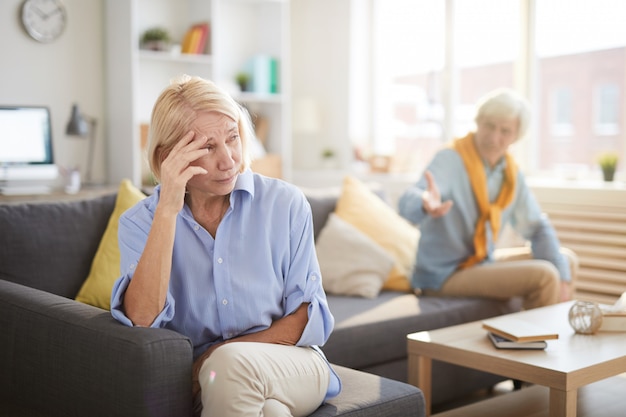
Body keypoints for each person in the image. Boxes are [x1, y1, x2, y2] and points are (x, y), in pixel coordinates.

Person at [110, 74, 341, 416]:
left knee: (229, 365)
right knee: (271, 411)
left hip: (292, 364)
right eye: (206, 147)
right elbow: (142, 320)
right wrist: (168, 210)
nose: (228, 160)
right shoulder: (139, 224)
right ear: (168, 155)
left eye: (232, 139)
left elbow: (305, 316)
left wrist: (215, 356)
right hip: (214, 384)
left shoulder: (286, 204)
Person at [398, 88, 578, 310]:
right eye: (489, 126)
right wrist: (425, 202)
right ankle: (536, 342)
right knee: (545, 275)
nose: (494, 138)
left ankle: (548, 335)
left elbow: (537, 227)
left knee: (564, 261)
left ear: (516, 136)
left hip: (482, 263)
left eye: (505, 131)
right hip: (444, 274)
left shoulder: (510, 174)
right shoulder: (451, 159)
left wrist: (563, 276)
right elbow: (408, 200)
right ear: (478, 121)